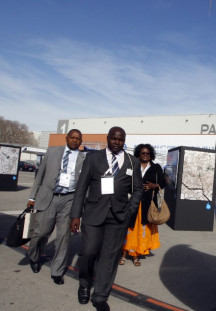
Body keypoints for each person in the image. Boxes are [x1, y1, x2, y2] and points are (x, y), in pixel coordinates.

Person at [70, 126, 143, 311]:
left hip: (118, 217)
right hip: (94, 213)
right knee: (88, 251)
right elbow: (81, 187)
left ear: (124, 140)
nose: (117, 142)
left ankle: (100, 296)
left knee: (109, 257)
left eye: (121, 139)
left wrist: (130, 212)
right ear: (107, 138)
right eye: (114, 138)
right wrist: (75, 214)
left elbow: (138, 190)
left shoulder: (132, 162)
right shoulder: (93, 158)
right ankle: (85, 283)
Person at [27, 129, 85, 285]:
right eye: (72, 137)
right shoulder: (52, 151)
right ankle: (34, 256)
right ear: (66, 138)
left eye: (77, 139)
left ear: (81, 141)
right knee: (41, 232)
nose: (74, 140)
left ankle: (57, 270)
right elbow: (40, 175)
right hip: (49, 197)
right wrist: (32, 197)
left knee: (63, 237)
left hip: (69, 200)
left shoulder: (83, 158)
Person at [119, 144, 166, 266]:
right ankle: (123, 253)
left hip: (147, 204)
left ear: (151, 155)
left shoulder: (156, 167)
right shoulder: (133, 165)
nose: (145, 155)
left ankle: (136, 256)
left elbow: (163, 182)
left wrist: (154, 186)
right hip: (131, 202)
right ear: (139, 154)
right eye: (143, 153)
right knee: (129, 229)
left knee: (141, 231)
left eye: (148, 153)